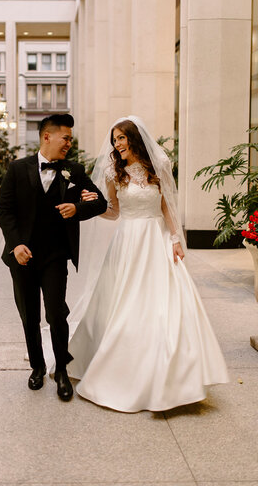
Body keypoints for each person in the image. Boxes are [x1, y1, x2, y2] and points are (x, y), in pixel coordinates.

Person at [67, 116, 229, 412]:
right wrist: (93, 205)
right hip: (128, 241)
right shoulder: (114, 172)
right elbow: (113, 212)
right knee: (124, 303)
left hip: (155, 239)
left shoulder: (158, 166)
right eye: (114, 140)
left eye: (121, 138)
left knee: (167, 304)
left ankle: (174, 378)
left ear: (134, 139)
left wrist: (176, 239)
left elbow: (166, 205)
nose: (116, 144)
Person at [0, 113, 107, 402]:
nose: (70, 143)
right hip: (23, 256)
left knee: (56, 313)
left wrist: (77, 209)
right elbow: (5, 211)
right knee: (29, 314)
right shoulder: (17, 169)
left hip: (56, 255)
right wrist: (16, 245)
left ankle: (61, 371)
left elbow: (101, 202)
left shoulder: (75, 171)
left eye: (71, 138)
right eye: (66, 138)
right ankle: (37, 366)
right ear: (48, 136)